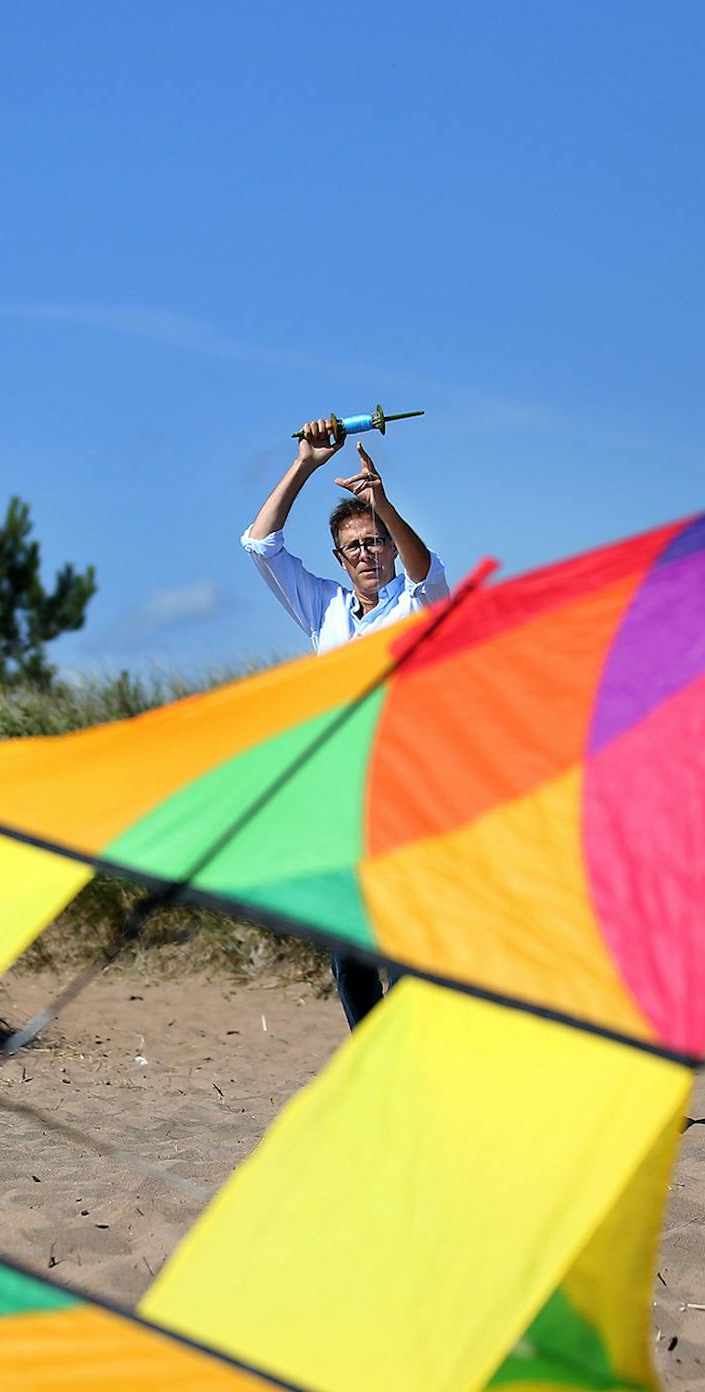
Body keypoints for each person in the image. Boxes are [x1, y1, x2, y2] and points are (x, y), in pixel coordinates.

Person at [241, 416, 451, 1027]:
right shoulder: (325, 609)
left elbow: (426, 572)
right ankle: (373, 1061)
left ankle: (413, 1061)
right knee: (349, 953)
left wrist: (380, 502)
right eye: (355, 545)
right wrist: (306, 463)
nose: (367, 552)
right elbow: (260, 545)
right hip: (341, 802)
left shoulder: (416, 604)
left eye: (375, 540)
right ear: (340, 556)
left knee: (404, 951)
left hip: (406, 797)